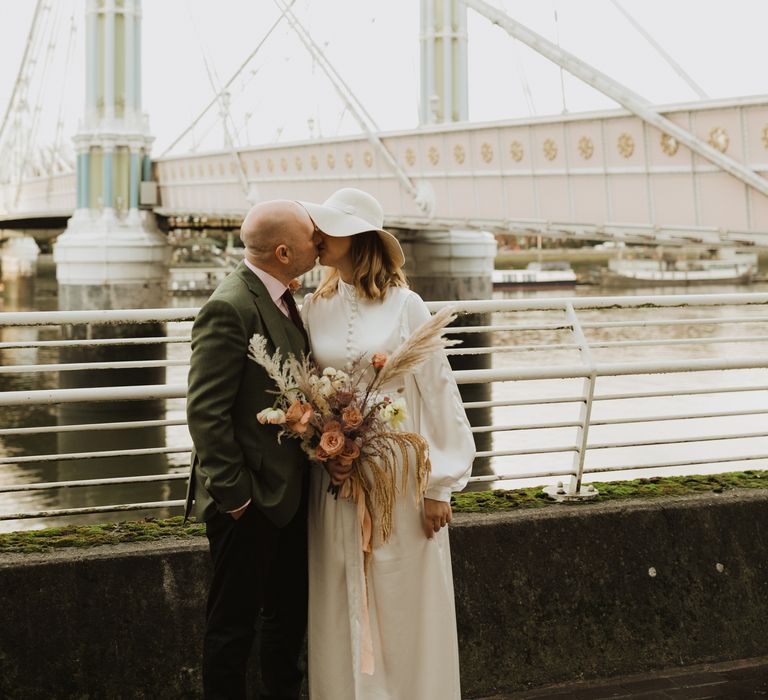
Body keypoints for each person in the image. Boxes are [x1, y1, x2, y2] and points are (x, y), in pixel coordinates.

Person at [299, 188, 476, 699]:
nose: (317, 237)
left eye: (327, 229)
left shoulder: (406, 305)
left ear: (356, 238)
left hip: (399, 478)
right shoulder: (316, 305)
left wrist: (440, 484)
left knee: (402, 596)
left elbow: (439, 391)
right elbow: (309, 388)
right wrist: (322, 449)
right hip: (334, 481)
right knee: (340, 593)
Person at [184, 199, 321, 699]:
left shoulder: (283, 296)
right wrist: (236, 497)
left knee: (286, 621)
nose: (320, 243)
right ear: (284, 252)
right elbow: (205, 413)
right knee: (232, 627)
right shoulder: (230, 305)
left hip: (287, 495)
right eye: (312, 238)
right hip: (248, 501)